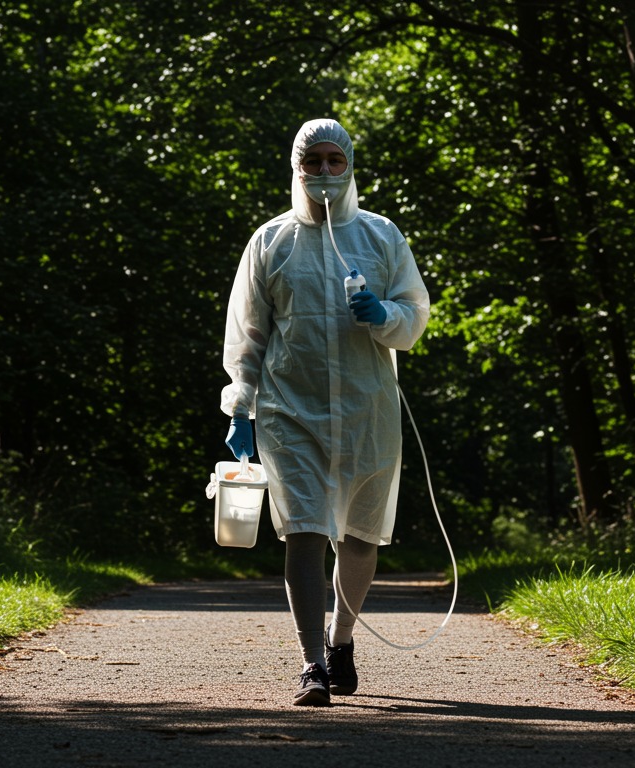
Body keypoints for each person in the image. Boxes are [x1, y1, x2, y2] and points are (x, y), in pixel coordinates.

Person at [220, 118, 430, 706]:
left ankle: (342, 643)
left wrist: (383, 313)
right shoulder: (271, 242)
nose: (324, 173)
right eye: (313, 162)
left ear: (351, 165)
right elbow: (248, 334)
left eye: (334, 161)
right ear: (296, 168)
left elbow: (414, 318)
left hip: (368, 409)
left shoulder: (381, 237)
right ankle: (311, 662)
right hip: (291, 408)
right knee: (305, 531)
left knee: (360, 536)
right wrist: (242, 406)